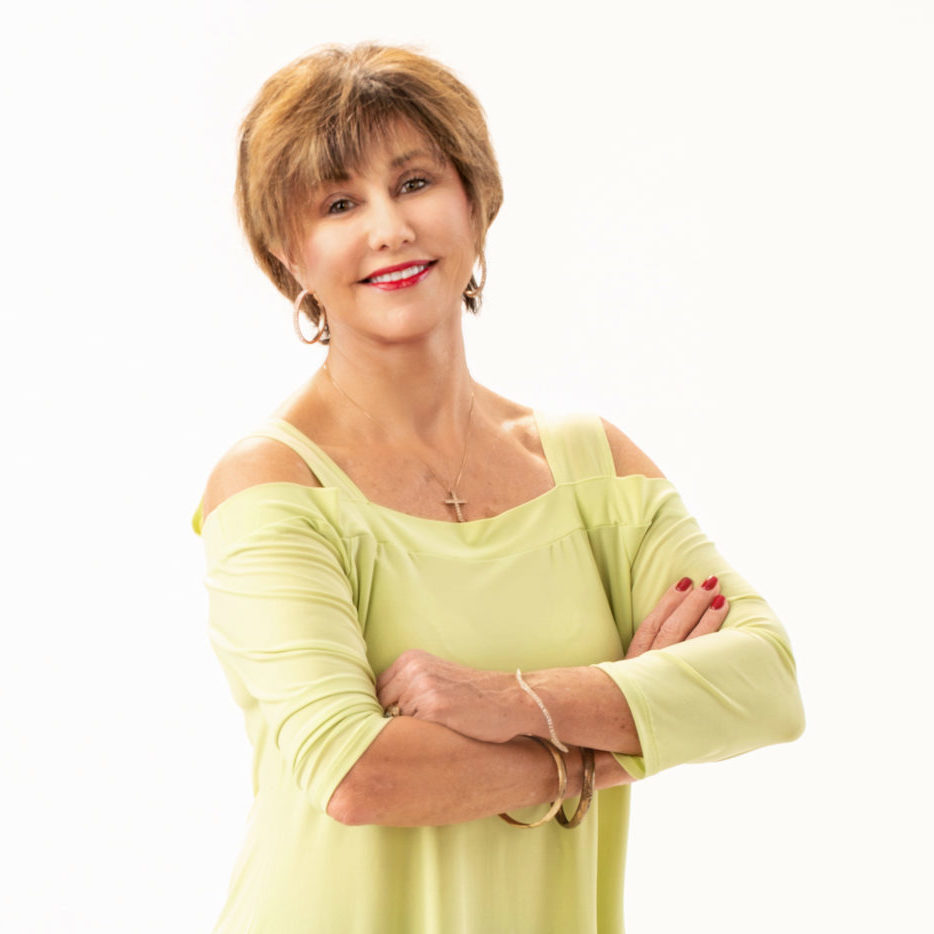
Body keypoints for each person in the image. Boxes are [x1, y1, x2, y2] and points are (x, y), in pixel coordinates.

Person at [192, 42, 805, 933]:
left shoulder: (589, 467)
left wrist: (514, 701)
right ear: (290, 256)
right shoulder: (272, 480)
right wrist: (614, 734)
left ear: (475, 204)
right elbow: (360, 776)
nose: (389, 229)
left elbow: (767, 682)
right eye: (339, 204)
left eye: (414, 183)